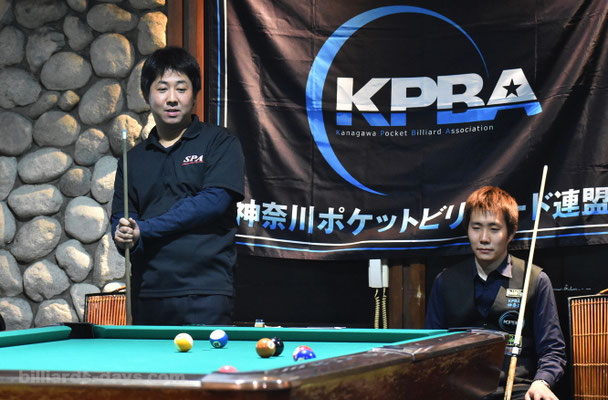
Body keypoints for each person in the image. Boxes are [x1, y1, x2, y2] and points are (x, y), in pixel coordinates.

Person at [111, 46, 244, 325]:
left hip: (206, 291)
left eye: (181, 89)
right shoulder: (132, 159)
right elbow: (122, 217)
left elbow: (213, 203)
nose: (172, 98)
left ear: (194, 95)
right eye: (162, 89)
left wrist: (145, 229)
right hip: (147, 293)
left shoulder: (220, 142)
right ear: (147, 95)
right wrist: (123, 234)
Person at [425, 186, 566, 400]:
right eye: (476, 227)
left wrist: (541, 382)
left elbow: (552, 350)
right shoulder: (445, 281)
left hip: (517, 389)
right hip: (457, 391)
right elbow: (430, 347)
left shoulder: (535, 280)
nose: (483, 238)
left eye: (494, 228)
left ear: (511, 233)